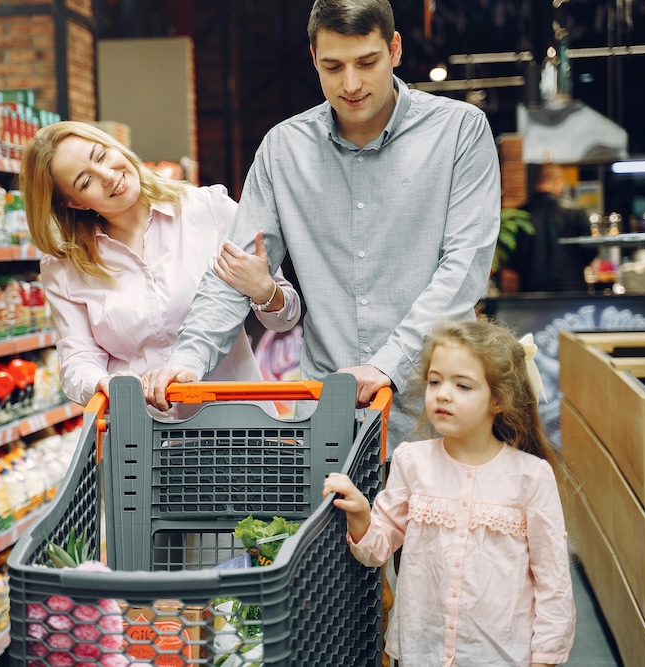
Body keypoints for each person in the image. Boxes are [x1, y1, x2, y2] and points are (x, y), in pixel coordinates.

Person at [143, 0, 501, 450]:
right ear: (313, 58)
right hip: (329, 414)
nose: (351, 84)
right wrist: (188, 360)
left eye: (366, 63)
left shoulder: (459, 131)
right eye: (333, 67)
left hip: (437, 406)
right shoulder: (284, 149)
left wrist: (387, 364)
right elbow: (233, 273)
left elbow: (464, 268)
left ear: (394, 49)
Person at [323, 318, 576, 666]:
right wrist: (360, 514)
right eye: (435, 381)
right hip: (421, 653)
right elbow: (376, 550)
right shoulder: (411, 461)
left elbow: (553, 582)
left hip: (500, 658)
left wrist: (544, 658)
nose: (442, 393)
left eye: (463, 385)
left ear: (498, 399)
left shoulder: (530, 477)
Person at [21, 121, 301, 416]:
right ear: (73, 203)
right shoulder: (64, 267)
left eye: (101, 156)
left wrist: (266, 293)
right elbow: (77, 359)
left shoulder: (207, 209)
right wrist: (102, 383)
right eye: (85, 181)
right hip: (143, 430)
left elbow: (286, 317)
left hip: (235, 424)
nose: (107, 176)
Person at [509, 163, 594, 292]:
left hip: (531, 292)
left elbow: (510, 259)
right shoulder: (574, 211)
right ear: (557, 180)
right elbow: (590, 250)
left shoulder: (519, 215)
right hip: (572, 290)